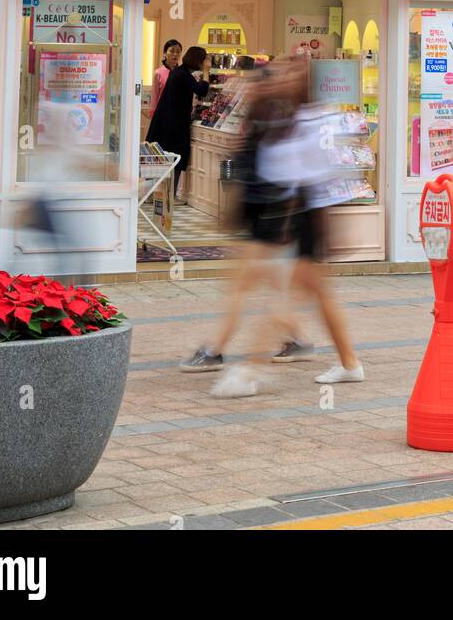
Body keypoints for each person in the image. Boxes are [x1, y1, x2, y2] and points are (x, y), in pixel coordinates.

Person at [188, 58, 363, 397]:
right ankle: (350, 363)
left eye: (290, 74)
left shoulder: (314, 120)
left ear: (303, 83)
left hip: (306, 215)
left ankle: (251, 370)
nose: (281, 79)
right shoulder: (288, 119)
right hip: (289, 214)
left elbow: (321, 176)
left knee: (285, 298)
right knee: (318, 296)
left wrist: (328, 228)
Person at [146, 44, 209, 201]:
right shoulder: (183, 74)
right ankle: (168, 197)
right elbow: (201, 90)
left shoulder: (179, 72)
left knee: (162, 158)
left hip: (167, 122)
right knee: (175, 158)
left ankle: (156, 194)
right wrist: (207, 72)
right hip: (174, 125)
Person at [150, 38, 182, 117]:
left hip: (179, 113)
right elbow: (155, 95)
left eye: (178, 52)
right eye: (172, 51)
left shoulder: (182, 73)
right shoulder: (158, 73)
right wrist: (153, 112)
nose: (175, 54)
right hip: (163, 112)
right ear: (164, 53)